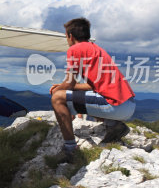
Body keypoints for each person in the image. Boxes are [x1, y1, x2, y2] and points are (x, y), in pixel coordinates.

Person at [49, 18, 135, 158]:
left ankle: (70, 149)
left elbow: (69, 83)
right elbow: (91, 86)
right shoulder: (97, 49)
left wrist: (57, 90)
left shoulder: (75, 49)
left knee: (58, 98)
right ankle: (114, 125)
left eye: (66, 36)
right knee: (80, 95)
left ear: (70, 36)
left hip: (114, 105)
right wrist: (65, 87)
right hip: (127, 105)